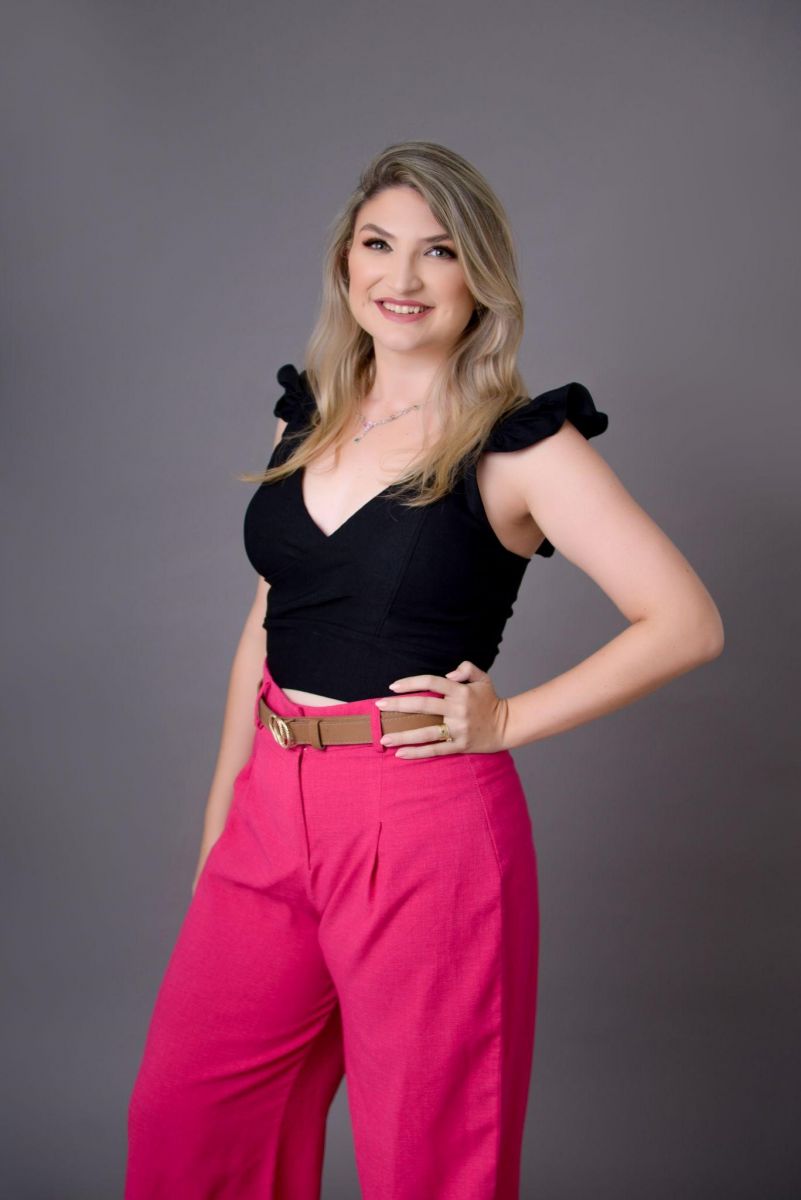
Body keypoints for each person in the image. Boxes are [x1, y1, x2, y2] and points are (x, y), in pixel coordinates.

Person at [124, 141, 724, 1199]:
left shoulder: (520, 446)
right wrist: (224, 813)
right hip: (272, 802)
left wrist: (508, 722)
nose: (401, 278)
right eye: (378, 245)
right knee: (189, 1119)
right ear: (345, 262)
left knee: (428, 1160)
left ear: (478, 277)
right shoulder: (305, 413)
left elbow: (686, 621)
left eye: (437, 252)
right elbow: (268, 616)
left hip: (421, 822)